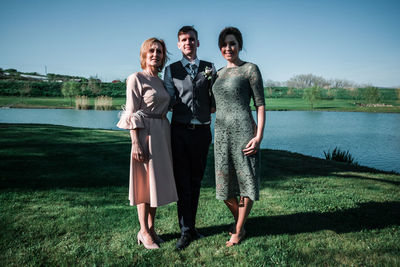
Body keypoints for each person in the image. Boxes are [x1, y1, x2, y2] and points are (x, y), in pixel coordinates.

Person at [117, 37, 178, 250]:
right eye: (151, 51)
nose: (155, 54)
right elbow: (131, 112)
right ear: (144, 54)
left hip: (162, 133)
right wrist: (135, 142)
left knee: (156, 184)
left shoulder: (161, 82)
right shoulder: (136, 78)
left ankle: (152, 228)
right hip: (145, 134)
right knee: (144, 185)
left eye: (159, 51)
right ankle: (143, 231)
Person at [212, 27, 266, 247]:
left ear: (239, 45)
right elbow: (214, 105)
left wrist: (259, 136)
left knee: (246, 182)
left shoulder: (250, 69)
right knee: (224, 187)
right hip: (221, 133)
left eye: (232, 43)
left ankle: (238, 229)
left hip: (244, 131)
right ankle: (240, 222)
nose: (228, 48)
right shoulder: (217, 74)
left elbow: (260, 105)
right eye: (224, 44)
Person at [164, 26, 216, 250]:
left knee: (196, 181)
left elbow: (215, 96)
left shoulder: (209, 68)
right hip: (180, 131)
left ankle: (192, 227)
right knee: (182, 181)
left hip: (202, 132)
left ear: (198, 42)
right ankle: (185, 231)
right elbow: (167, 98)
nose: (188, 43)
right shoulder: (171, 69)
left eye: (192, 39)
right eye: (184, 40)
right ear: (178, 44)